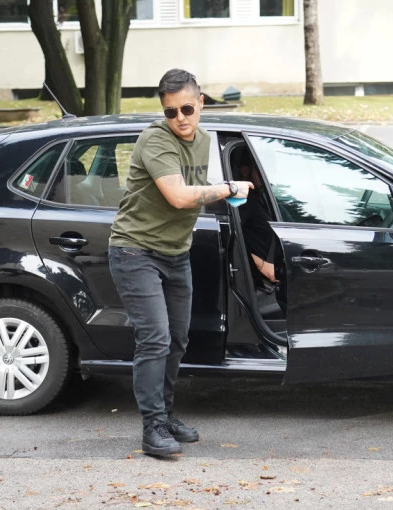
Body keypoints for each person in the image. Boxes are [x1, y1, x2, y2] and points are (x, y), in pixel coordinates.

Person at [108, 69, 254, 457]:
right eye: (171, 112)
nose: (180, 118)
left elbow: (191, 193)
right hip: (135, 251)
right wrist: (227, 188)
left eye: (187, 109)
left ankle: (166, 414)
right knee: (155, 338)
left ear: (201, 102)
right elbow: (177, 196)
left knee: (176, 339)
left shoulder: (203, 140)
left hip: (175, 253)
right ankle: (152, 427)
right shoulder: (156, 139)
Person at [236, 149, 279, 291]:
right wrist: (261, 265)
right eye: (263, 168)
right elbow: (232, 235)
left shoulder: (262, 196)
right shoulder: (244, 200)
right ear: (245, 171)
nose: (269, 174)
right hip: (256, 277)